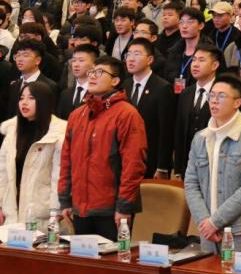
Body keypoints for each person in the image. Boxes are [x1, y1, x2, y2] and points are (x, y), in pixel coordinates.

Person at [58, 55, 146, 239]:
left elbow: (133, 164)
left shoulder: (127, 114)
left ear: (115, 80)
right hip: (80, 207)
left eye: (99, 72)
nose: (92, 76)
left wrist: (124, 207)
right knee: (81, 257)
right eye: (91, 72)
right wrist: (65, 199)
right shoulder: (77, 115)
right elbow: (66, 159)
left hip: (111, 209)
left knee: (111, 257)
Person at [185, 73, 241, 255]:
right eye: (212, 95)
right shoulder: (200, 138)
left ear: (237, 102)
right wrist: (204, 221)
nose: (214, 101)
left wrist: (216, 222)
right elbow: (191, 183)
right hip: (207, 232)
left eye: (221, 96)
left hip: (239, 232)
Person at [0, 81, 66, 225]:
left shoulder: (58, 134)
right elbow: (2, 172)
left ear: (44, 101)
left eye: (31, 98)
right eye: (21, 98)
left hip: (43, 214)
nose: (24, 102)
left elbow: (58, 176)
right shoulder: (12, 131)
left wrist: (55, 211)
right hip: (12, 211)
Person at [123, 38, 176, 179]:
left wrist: (162, 165)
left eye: (137, 54)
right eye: (128, 54)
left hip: (150, 159)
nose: (131, 59)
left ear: (150, 59)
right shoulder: (125, 85)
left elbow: (166, 130)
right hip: (126, 157)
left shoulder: (163, 88)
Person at [174, 43, 222, 178]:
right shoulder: (186, 93)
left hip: (213, 165)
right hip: (188, 165)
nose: (195, 64)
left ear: (215, 65)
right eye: (194, 60)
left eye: (201, 60)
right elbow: (179, 130)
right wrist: (178, 169)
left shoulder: (222, 92)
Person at [57, 43, 95, 120]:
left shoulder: (97, 93)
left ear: (94, 65)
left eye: (81, 60)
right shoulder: (65, 93)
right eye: (74, 60)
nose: (76, 64)